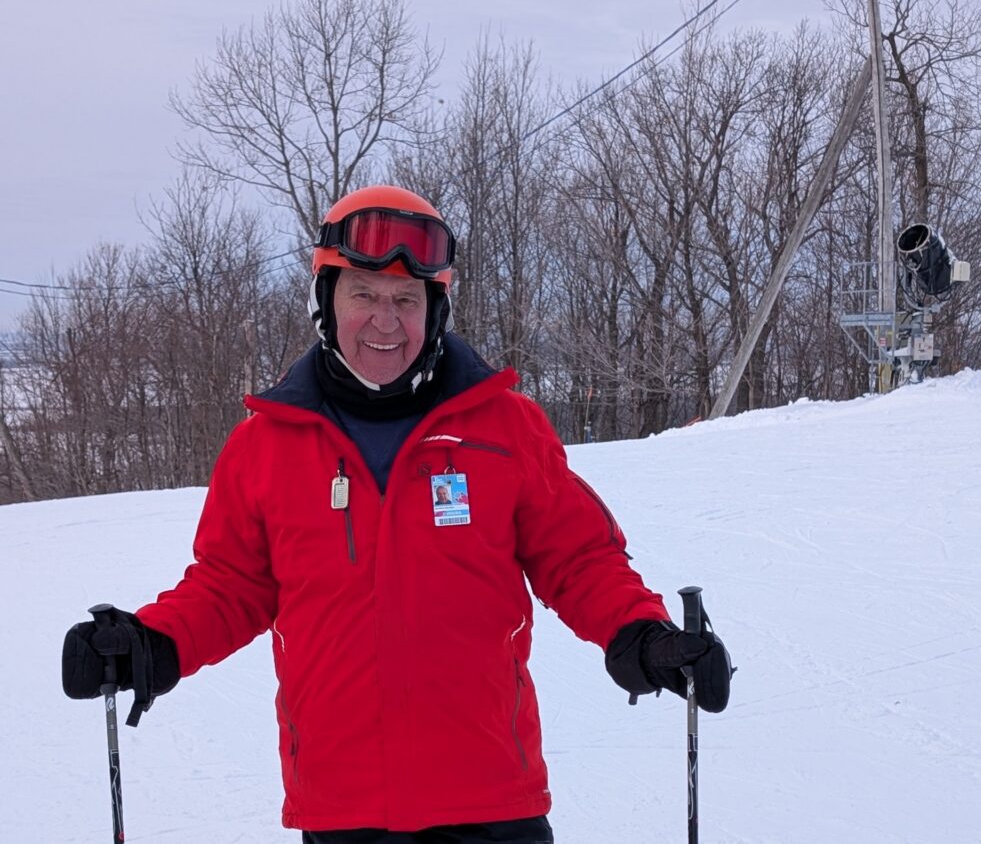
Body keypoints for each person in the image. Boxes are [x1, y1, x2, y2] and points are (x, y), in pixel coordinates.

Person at [62, 185, 732, 843]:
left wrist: (642, 635)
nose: (385, 320)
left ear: (434, 311)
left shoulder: (503, 427)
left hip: (492, 804)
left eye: (406, 300)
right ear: (326, 303)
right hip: (343, 809)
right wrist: (155, 643)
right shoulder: (265, 445)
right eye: (364, 294)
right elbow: (230, 584)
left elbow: (580, 558)